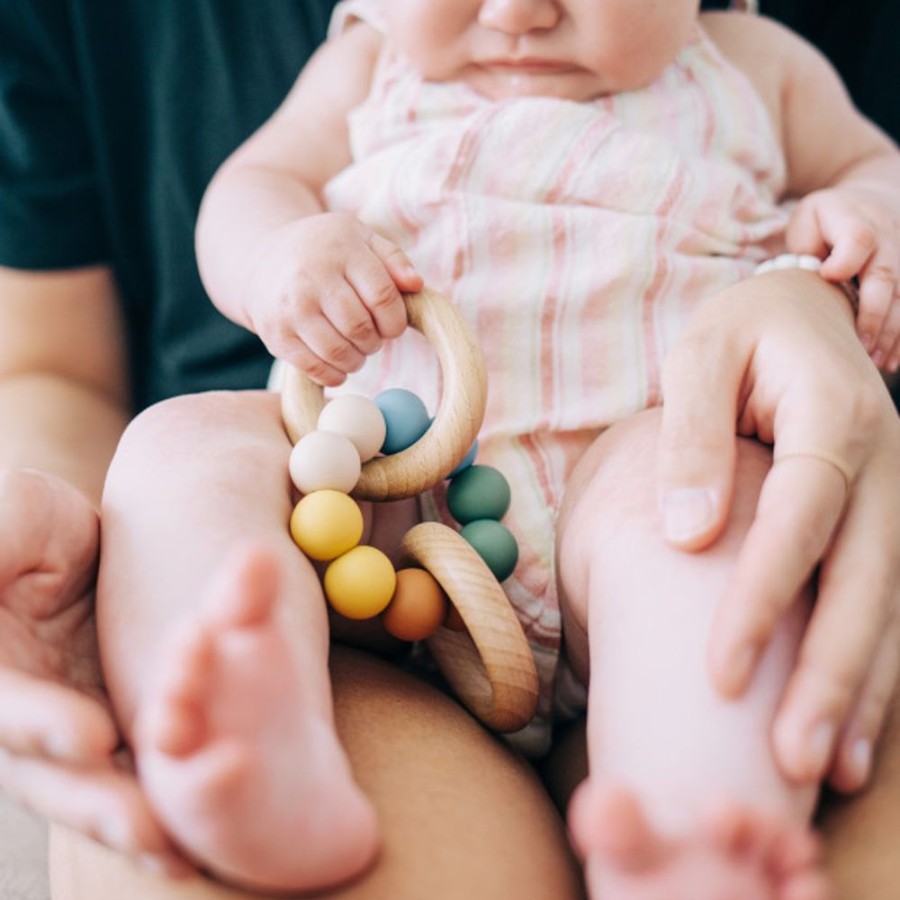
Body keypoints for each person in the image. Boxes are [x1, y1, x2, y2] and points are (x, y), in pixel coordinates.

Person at [0, 2, 897, 900]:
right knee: (181, 449)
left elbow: (875, 167)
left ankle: (698, 820)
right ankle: (251, 732)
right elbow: (250, 186)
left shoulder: (758, 66)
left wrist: (864, 222)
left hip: (639, 473)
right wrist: (281, 255)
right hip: (374, 493)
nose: (518, 13)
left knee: (721, 527)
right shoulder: (363, 67)